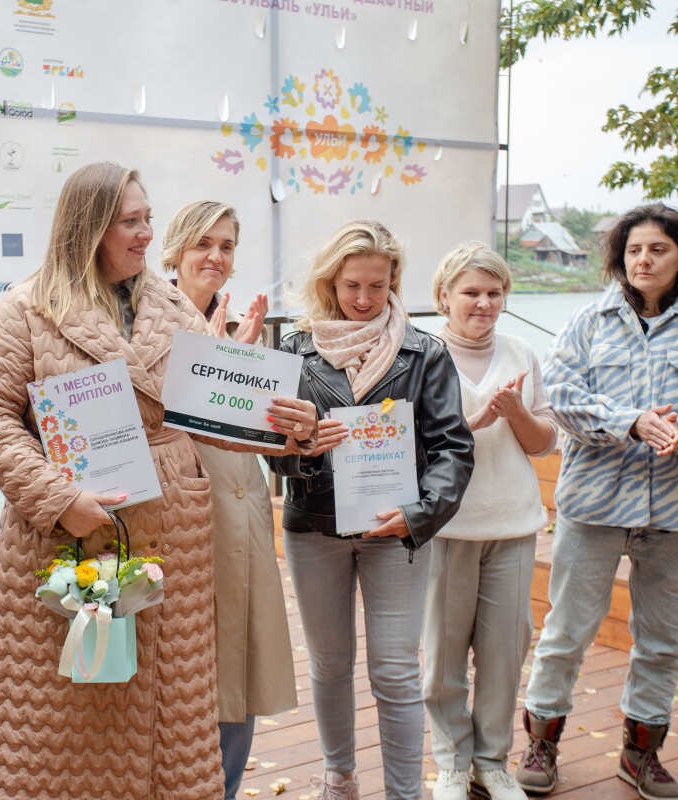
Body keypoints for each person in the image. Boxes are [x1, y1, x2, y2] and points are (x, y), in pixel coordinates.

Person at [0, 162, 317, 799]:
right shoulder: (26, 309)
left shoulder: (170, 306)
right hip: (64, 534)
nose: (147, 234)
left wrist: (287, 427)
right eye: (130, 222)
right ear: (89, 227)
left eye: (148, 218)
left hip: (171, 537)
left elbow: (213, 408)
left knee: (167, 714)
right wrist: (59, 498)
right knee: (56, 722)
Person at [516, 204, 678, 800]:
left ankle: (641, 754)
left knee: (662, 643)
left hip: (675, 516)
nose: (643, 260)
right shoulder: (587, 322)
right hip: (592, 510)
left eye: (657, 249)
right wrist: (630, 421)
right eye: (633, 250)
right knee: (565, 632)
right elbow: (559, 395)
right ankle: (541, 743)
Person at [269, 220, 474, 800]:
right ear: (330, 281)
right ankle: (339, 778)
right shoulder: (294, 351)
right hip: (314, 528)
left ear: (394, 282)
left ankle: (405, 793)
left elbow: (453, 448)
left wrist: (420, 514)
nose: (363, 299)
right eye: (351, 285)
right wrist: (303, 449)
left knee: (396, 670)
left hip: (396, 531)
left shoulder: (425, 352)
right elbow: (271, 454)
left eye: (377, 286)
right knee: (330, 663)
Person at [161, 200, 298, 800]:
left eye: (226, 246)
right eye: (203, 244)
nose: (215, 257)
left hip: (245, 516)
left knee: (239, 669)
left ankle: (227, 790)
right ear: (174, 250)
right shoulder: (143, 322)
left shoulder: (246, 327)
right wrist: (205, 365)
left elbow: (265, 436)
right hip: (183, 517)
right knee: (182, 670)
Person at [422, 243, 558, 800]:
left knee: (505, 652)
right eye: (471, 292)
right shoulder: (421, 354)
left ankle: (491, 763)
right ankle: (453, 763)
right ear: (444, 296)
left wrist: (517, 413)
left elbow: (544, 443)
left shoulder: (522, 351)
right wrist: (470, 423)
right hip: (446, 526)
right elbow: (404, 443)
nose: (483, 303)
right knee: (443, 656)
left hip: (512, 523)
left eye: (494, 293)